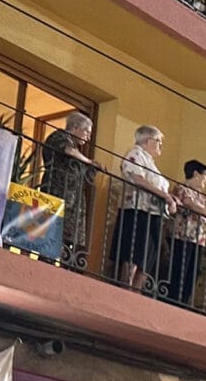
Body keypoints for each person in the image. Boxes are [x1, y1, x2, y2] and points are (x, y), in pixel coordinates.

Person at [110, 125, 176, 289]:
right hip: (137, 210)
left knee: (148, 256)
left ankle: (136, 292)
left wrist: (169, 198)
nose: (161, 145)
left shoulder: (150, 161)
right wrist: (165, 196)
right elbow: (138, 178)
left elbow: (158, 186)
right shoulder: (135, 153)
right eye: (159, 141)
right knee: (134, 252)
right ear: (148, 140)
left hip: (153, 214)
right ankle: (126, 289)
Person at [39, 111, 98, 266]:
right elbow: (68, 151)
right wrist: (89, 161)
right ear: (76, 127)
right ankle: (46, 261)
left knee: (67, 238)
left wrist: (91, 168)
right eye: (86, 132)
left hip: (73, 201)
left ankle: (61, 262)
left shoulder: (76, 147)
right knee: (51, 230)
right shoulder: (59, 136)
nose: (88, 137)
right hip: (57, 193)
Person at [167, 160, 206, 306]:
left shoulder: (201, 196)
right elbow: (189, 205)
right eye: (205, 177)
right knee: (180, 270)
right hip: (183, 236)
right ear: (196, 174)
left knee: (193, 273)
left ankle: (183, 302)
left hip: (198, 239)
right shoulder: (182, 188)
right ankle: (173, 301)